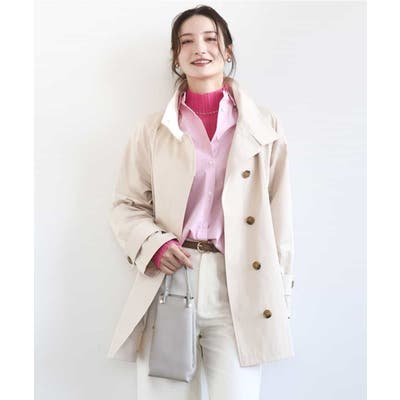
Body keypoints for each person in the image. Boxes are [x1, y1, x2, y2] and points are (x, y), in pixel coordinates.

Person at [107, 5, 295, 400]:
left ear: (228, 50)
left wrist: (281, 293)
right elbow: (126, 204)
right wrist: (155, 244)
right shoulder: (153, 130)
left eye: (210, 39)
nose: (200, 49)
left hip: (240, 282)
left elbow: (279, 216)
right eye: (186, 41)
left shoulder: (265, 127)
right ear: (176, 57)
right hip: (172, 280)